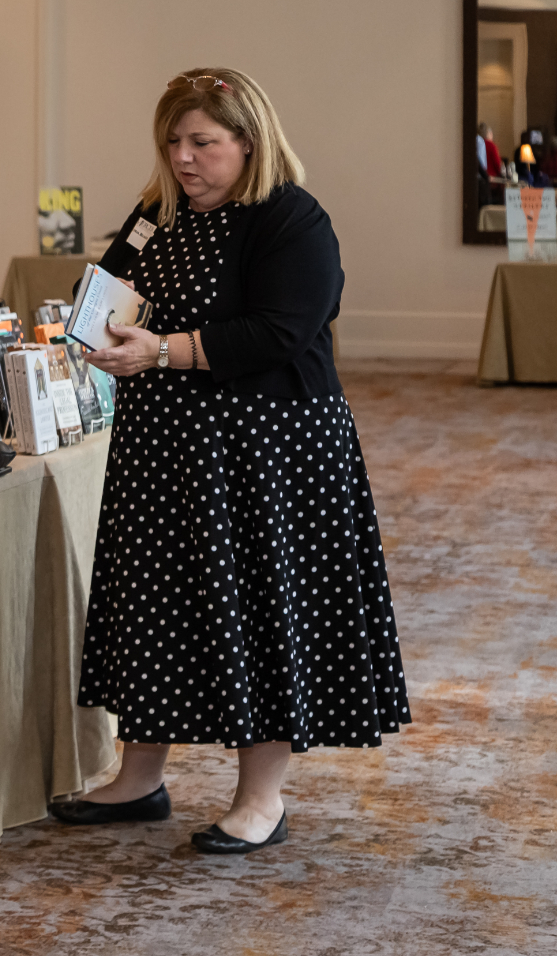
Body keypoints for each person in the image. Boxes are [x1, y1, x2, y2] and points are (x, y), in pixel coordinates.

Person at [50, 67, 410, 855]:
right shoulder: (159, 213)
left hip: (268, 447)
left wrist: (163, 351)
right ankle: (139, 778)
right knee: (158, 602)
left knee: (260, 606)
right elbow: (115, 283)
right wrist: (91, 333)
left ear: (250, 143)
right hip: (169, 441)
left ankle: (260, 799)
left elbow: (280, 332)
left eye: (203, 143)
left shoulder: (291, 220)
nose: (183, 157)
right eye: (173, 141)